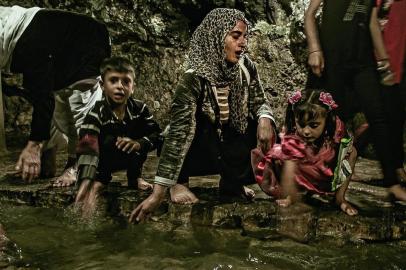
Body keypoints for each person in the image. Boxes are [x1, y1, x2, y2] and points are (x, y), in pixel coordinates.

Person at [129, 8, 276, 223]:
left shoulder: (246, 67)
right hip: (199, 147)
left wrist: (264, 119)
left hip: (222, 145)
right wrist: (159, 193)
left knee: (265, 127)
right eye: (236, 36)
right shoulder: (194, 77)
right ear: (216, 36)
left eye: (245, 37)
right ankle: (179, 182)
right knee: (198, 124)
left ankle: (231, 182)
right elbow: (180, 132)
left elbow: (259, 101)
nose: (243, 43)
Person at [304, 0, 406, 200]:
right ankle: (315, 182)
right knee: (332, 122)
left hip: (363, 61)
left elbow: (371, 23)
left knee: (379, 117)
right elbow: (310, 14)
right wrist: (314, 49)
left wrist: (384, 63)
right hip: (334, 59)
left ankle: (392, 184)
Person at [0, 5, 111, 182]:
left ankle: (75, 165)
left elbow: (43, 96)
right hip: (42, 37)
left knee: (78, 100)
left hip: (86, 39)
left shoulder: (28, 45)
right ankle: (47, 157)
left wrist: (34, 145)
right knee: (55, 97)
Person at [75, 56, 160, 216]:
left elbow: (156, 133)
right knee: (103, 142)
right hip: (104, 161)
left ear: (133, 87)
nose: (120, 87)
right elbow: (87, 148)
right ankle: (99, 183)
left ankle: (134, 177)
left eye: (126, 82)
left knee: (139, 139)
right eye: (113, 81)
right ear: (102, 85)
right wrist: (86, 182)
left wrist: (139, 143)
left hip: (131, 156)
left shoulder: (139, 109)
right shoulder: (96, 113)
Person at [252, 90, 358, 216]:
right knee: (280, 154)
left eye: (314, 125)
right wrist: (290, 196)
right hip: (299, 172)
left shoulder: (336, 128)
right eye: (301, 125)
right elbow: (289, 172)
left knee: (352, 152)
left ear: (326, 120)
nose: (306, 131)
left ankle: (339, 199)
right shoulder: (292, 133)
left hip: (325, 171)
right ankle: (292, 195)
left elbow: (345, 152)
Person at [374, 0, 406, 181]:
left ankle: (396, 165)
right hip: (384, 60)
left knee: (394, 113)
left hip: (398, 58)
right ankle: (395, 167)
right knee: (390, 113)